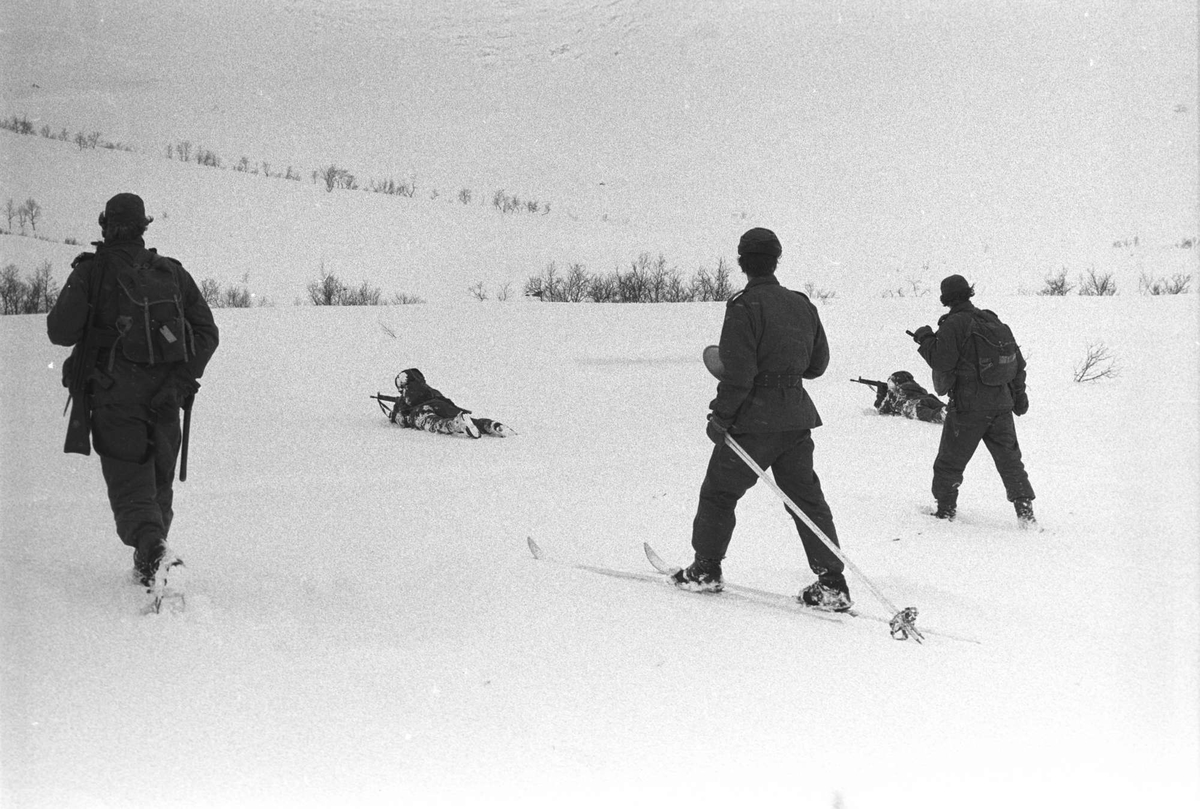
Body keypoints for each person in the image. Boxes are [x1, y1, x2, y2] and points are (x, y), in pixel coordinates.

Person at [675, 227, 851, 611]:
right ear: (777, 260)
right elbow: (817, 366)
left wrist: (720, 417)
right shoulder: (803, 305)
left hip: (753, 421)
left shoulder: (744, 305)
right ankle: (832, 583)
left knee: (719, 494)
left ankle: (705, 569)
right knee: (806, 501)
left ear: (742, 262)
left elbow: (738, 373)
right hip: (795, 418)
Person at [47, 193, 219, 586]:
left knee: (129, 479)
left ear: (106, 226)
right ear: (144, 227)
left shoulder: (91, 272)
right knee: (158, 480)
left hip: (115, 393)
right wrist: (180, 379)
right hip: (167, 395)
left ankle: (152, 548)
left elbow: (59, 331)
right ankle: (151, 555)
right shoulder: (171, 272)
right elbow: (208, 332)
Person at [910, 274, 1036, 528]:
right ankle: (1025, 513)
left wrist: (924, 339)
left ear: (946, 299)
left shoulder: (954, 324)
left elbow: (941, 361)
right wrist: (1019, 397)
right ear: (969, 293)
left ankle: (945, 512)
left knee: (949, 463)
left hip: (969, 407)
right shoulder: (992, 320)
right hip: (1001, 405)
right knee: (1010, 462)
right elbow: (1017, 364)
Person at [386, 368, 510, 438]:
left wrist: (394, 415)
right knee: (472, 420)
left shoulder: (406, 395)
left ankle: (457, 424)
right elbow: (443, 400)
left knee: (436, 423)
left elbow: (402, 418)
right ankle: (491, 425)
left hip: (421, 411)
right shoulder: (428, 390)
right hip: (442, 405)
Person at [874, 371, 946, 424]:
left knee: (923, 412)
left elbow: (882, 409)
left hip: (915, 404)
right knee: (942, 407)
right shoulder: (916, 387)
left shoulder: (896, 394)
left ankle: (940, 416)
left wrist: (881, 394)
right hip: (928, 398)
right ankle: (948, 411)